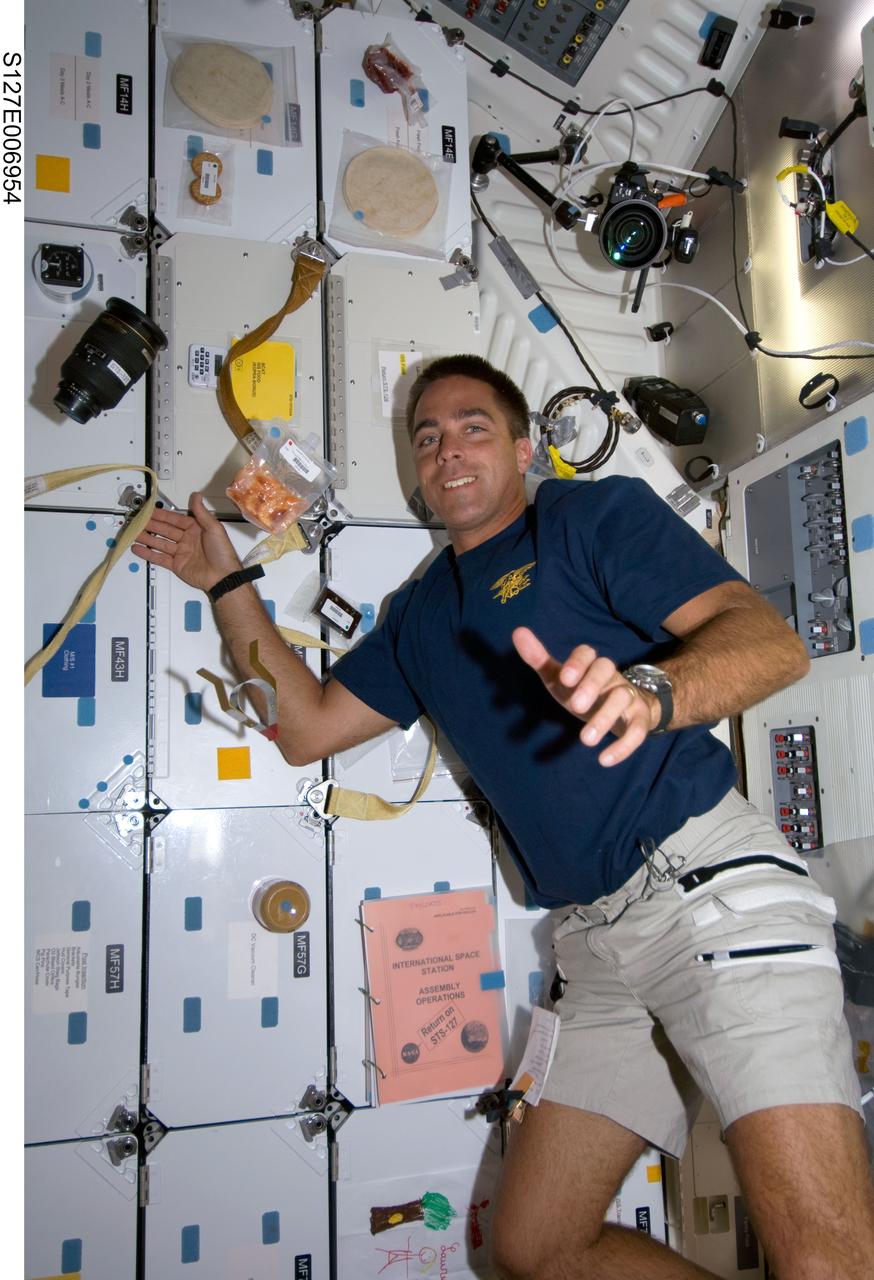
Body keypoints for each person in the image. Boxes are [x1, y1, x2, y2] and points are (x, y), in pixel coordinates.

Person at [133, 354, 874, 1278]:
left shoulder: (589, 518)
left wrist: (649, 691)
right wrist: (226, 581)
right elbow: (306, 729)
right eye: (428, 437)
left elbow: (770, 643)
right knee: (536, 1248)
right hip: (596, 950)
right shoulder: (418, 615)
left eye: (473, 427)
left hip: (707, 894)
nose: (447, 452)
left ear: (525, 448)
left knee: (824, 1259)